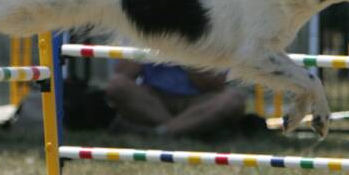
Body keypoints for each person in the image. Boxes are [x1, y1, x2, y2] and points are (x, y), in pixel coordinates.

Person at [105, 61, 246, 138]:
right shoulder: (146, 25)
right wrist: (145, 41)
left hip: (197, 101)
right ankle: (184, 127)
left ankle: (159, 132)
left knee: (233, 99)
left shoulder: (205, 29)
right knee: (117, 84)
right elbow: (122, 74)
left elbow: (215, 86)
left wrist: (183, 54)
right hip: (154, 100)